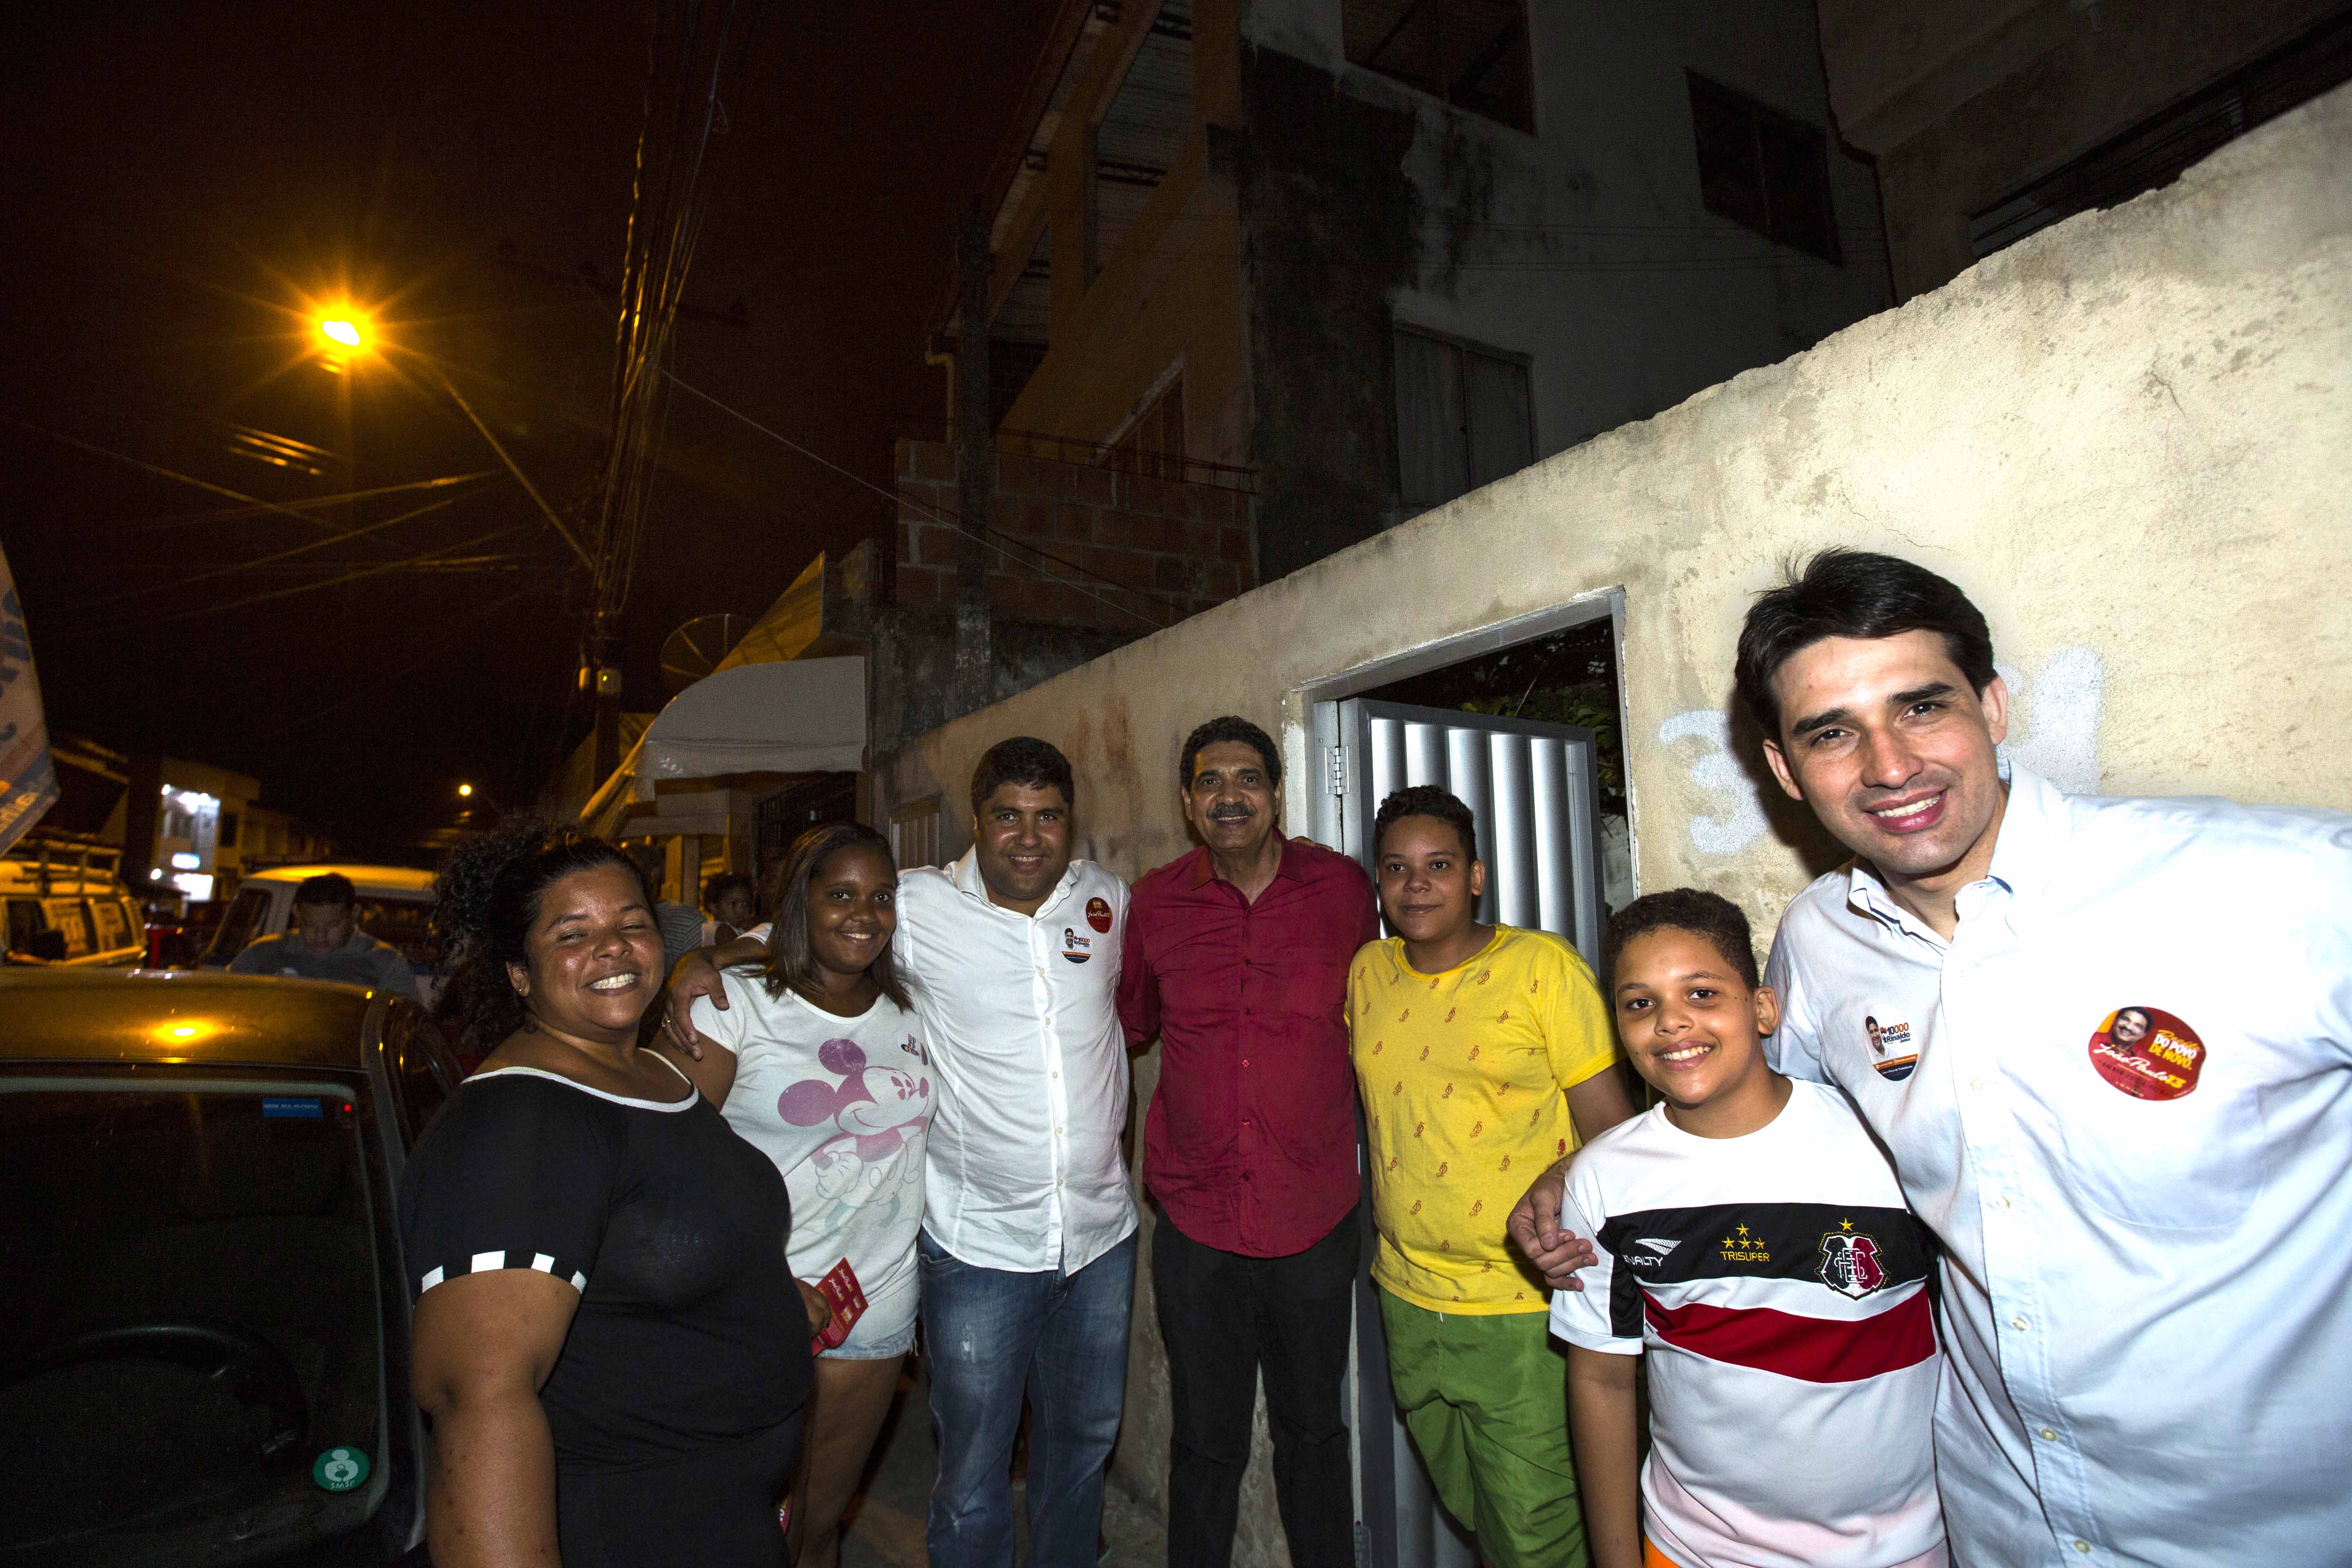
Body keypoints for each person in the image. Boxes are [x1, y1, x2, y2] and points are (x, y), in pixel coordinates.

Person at [1513, 549, 2352, 1564]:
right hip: (1994, 1518)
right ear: (1784, 770)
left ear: (1992, 705)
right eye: (1832, 732)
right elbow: (1752, 1127)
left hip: (2274, 1527)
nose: (1889, 765)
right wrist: (1587, 1171)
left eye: (1920, 706)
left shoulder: (2289, 890)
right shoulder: (1820, 941)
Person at [671, 737, 1137, 1568]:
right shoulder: (914, 903)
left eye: (1048, 817)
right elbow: (801, 931)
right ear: (977, 821)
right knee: (974, 1469)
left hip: (1101, 1238)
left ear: (1071, 823)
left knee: (1083, 1449)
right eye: (1007, 816)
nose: (1028, 836)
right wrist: (700, 960)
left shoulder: (1106, 899)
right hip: (981, 1242)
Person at [399, 820, 817, 1566]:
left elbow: (656, 1237)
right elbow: (478, 1398)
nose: (614, 947)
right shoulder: (518, 1122)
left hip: (728, 1512)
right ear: (519, 974)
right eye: (572, 934)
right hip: (631, 1525)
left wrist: (757, 1296)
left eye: (632, 924)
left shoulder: (653, 1074)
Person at [1554, 889, 1943, 1568]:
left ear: (1763, 1008)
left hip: (1908, 1543)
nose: (1671, 1021)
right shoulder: (1605, 1181)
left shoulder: (1885, 1144)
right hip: (1695, 1548)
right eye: (1640, 1004)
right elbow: (1603, 1381)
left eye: (1702, 994)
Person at [1352, 785, 1635, 1568]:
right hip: (1408, 1300)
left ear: (1476, 876)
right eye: (1397, 868)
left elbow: (1616, 1132)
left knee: (1537, 1535)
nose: (1416, 885)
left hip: (1522, 1308)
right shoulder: (1369, 973)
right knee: (1479, 1513)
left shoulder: (1542, 969)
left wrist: (1557, 1184)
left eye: (1439, 865)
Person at [1117, 715, 1376, 1568]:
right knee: (1204, 1441)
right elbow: (1131, 1026)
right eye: (1210, 782)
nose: (1230, 797)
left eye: (1248, 779)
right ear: (1188, 803)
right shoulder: (1155, 903)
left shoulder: (1342, 891)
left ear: (1278, 794)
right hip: (1198, 1224)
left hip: (1314, 1218)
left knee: (1314, 1433)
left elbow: (1386, 1010)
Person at [663, 823, 933, 1568]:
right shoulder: (731, 1007)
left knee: (815, 1528)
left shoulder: (913, 1009)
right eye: (841, 894)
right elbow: (661, 1169)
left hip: (873, 1305)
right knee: (737, 1527)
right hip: (749, 1307)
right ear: (800, 901)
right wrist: (751, 1278)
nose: (864, 914)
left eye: (882, 897)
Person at [227, 871, 417, 998]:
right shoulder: (263, 954)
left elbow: (404, 1026)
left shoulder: (385, 963)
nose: (320, 936)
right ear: (297, 913)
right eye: (310, 925)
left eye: (333, 925)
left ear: (354, 914)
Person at [702, 871, 760, 948]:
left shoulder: (738, 928)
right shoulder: (722, 930)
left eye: (745, 904)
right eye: (734, 904)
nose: (741, 909)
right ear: (714, 907)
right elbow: (740, 952)